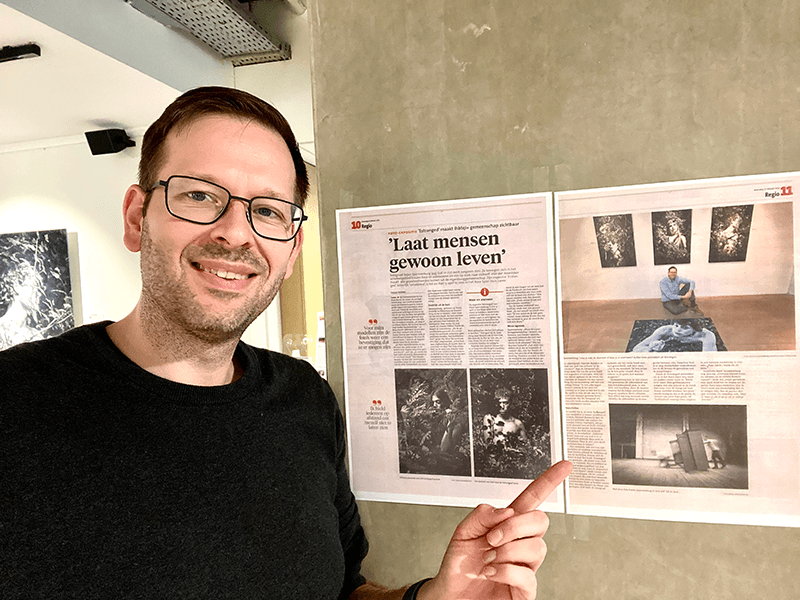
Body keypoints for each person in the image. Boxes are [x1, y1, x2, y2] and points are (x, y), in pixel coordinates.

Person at [0, 87, 571, 600]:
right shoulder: (17, 401)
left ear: (291, 252)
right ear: (136, 217)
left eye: (268, 211)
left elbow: (342, 588)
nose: (235, 232)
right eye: (199, 195)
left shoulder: (304, 399)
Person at [631, 319, 717, 352]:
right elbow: (636, 349)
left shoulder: (706, 335)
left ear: (695, 329)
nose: (677, 329)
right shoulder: (665, 330)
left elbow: (709, 360)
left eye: (685, 328)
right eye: (676, 325)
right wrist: (650, 347)